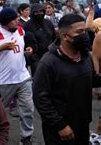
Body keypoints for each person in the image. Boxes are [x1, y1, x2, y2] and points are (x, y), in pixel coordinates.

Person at [33, 14, 101, 144]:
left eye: (85, 31)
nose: (84, 36)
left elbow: (91, 79)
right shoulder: (48, 63)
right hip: (60, 130)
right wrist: (60, 125)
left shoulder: (85, 56)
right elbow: (40, 98)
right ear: (64, 36)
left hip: (83, 123)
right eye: (79, 32)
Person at [0, 7, 35, 144]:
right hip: (4, 81)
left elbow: (20, 49)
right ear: (6, 21)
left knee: (28, 109)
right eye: (14, 19)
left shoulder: (20, 30)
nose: (18, 20)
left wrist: (27, 51)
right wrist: (1, 47)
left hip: (23, 77)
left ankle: (26, 137)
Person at [23, 3, 56, 75]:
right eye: (36, 12)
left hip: (50, 54)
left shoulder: (48, 23)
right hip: (36, 57)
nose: (39, 14)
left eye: (41, 11)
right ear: (32, 13)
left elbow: (54, 37)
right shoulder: (27, 25)